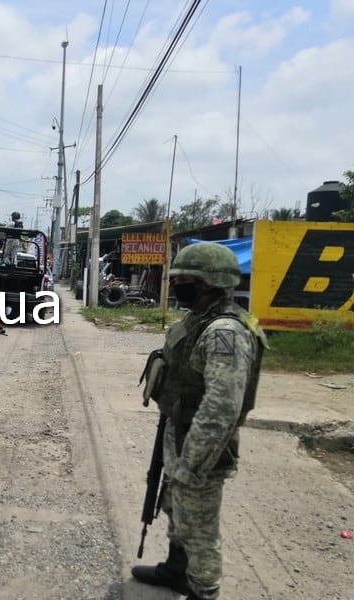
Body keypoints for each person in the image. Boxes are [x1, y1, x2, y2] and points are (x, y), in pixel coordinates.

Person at [131, 243, 268, 600]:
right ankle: (177, 570)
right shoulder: (200, 318)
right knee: (177, 511)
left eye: (186, 280)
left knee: (200, 527)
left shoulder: (227, 332)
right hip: (179, 431)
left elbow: (221, 408)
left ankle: (203, 591)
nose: (178, 286)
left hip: (201, 443)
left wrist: (192, 465)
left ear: (210, 282)